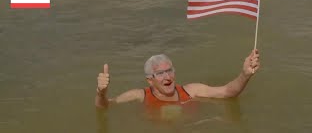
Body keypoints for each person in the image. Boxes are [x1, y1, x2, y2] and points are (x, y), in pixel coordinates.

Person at [95, 49, 260, 109]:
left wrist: (245, 74)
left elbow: (228, 92)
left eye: (169, 71)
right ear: (149, 80)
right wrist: (101, 93)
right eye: (160, 73)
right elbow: (105, 107)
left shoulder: (191, 91)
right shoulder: (139, 95)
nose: (167, 77)